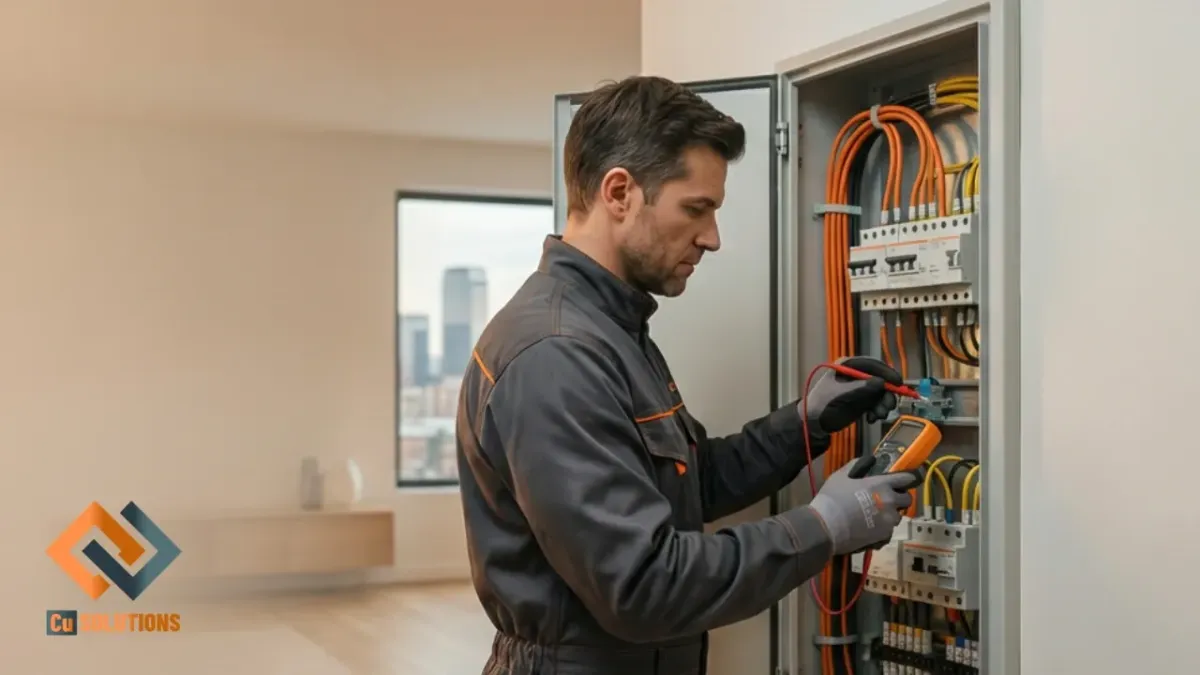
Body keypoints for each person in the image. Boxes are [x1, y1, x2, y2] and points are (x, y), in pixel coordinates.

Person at [455, 75, 924, 675]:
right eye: (695, 209)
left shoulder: (612, 329)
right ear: (619, 192)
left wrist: (805, 423)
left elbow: (688, 484)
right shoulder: (556, 353)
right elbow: (643, 585)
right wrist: (823, 526)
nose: (712, 237)